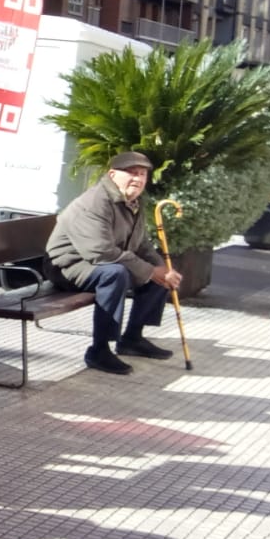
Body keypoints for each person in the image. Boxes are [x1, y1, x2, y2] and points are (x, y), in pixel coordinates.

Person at [45, 151, 182, 376]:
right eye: (131, 173)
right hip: (67, 266)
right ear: (112, 174)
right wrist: (150, 271)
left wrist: (162, 270)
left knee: (156, 271)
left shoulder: (133, 201)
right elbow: (100, 252)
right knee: (117, 274)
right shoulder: (94, 202)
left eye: (142, 174)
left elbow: (142, 244)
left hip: (100, 261)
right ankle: (99, 350)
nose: (137, 179)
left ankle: (132, 339)